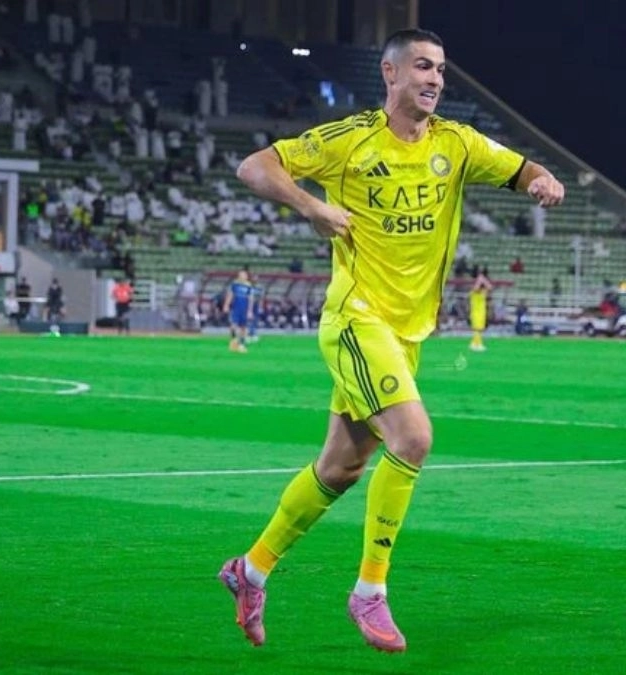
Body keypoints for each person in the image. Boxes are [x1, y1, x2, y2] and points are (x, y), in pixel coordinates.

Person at [221, 28, 565, 653]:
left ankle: (251, 570)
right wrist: (311, 206)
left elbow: (522, 169)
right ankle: (369, 591)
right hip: (356, 319)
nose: (435, 80)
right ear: (391, 72)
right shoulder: (349, 139)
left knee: (340, 468)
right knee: (414, 437)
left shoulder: (457, 144)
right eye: (424, 67)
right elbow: (255, 166)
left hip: (408, 334)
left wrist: (543, 181)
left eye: (441, 71)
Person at [222, 269, 255, 352]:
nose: (242, 276)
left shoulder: (249, 286)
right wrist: (226, 305)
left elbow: (251, 299)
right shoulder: (235, 284)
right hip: (236, 308)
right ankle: (233, 341)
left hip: (244, 309)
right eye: (241, 275)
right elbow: (230, 295)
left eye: (244, 275)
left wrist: (250, 311)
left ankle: (242, 344)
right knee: (233, 325)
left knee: (243, 327)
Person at [468, 267, 494, 352]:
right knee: (477, 329)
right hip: (476, 312)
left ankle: (474, 343)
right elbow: (477, 287)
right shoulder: (474, 291)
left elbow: (490, 287)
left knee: (479, 329)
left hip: (481, 312)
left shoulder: (483, 292)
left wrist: (482, 278)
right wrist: (481, 278)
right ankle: (478, 344)